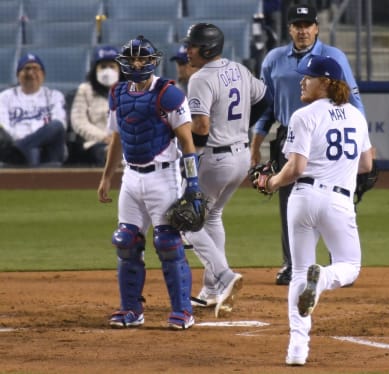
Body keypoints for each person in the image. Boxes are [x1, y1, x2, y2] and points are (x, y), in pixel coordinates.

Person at [253, 55, 373, 366]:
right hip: (338, 201)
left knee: (298, 273)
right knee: (349, 266)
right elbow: (366, 164)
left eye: (309, 76)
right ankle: (322, 280)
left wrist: (270, 183)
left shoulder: (303, 116)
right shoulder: (357, 117)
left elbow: (295, 169)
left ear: (328, 83)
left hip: (303, 198)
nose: (302, 81)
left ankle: (297, 350)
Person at [250, 3, 365, 286]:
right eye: (297, 25)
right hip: (288, 130)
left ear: (316, 27)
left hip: (328, 130)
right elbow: (267, 107)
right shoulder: (274, 59)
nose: (302, 31)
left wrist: (365, 142)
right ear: (289, 29)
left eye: (307, 25)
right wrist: (256, 143)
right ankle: (293, 265)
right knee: (290, 199)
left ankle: (333, 265)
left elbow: (352, 97)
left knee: (327, 194)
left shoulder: (333, 55)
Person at [97, 35, 202, 330]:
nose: (137, 63)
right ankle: (131, 309)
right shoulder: (117, 93)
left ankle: (183, 311)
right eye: (132, 59)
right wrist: (107, 177)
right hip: (131, 176)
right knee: (127, 242)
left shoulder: (168, 94)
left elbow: (187, 141)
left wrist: (192, 183)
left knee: (168, 244)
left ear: (152, 61)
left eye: (142, 58)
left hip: (164, 175)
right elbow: (117, 138)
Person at [182, 23, 271, 317]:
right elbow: (265, 99)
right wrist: (242, 125)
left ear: (206, 49)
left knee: (185, 220)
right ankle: (211, 290)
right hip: (241, 156)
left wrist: (187, 151)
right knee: (213, 215)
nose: (187, 51)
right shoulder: (240, 69)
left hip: (216, 160)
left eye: (192, 46)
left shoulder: (200, 78)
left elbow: (202, 127)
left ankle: (224, 276)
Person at [0, 53, 67, 167]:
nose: (31, 73)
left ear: (43, 74)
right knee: (31, 149)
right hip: (14, 144)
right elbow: (4, 125)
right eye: (26, 69)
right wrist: (25, 140)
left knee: (57, 125)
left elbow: (61, 122)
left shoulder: (54, 96)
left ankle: (23, 149)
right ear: (18, 75)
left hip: (48, 147)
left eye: (36, 69)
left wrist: (32, 140)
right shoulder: (5, 97)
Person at [70, 45, 123, 166]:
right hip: (96, 142)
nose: (107, 71)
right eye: (103, 67)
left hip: (126, 142)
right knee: (106, 153)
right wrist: (104, 137)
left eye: (112, 66)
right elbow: (78, 122)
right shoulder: (84, 90)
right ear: (95, 69)